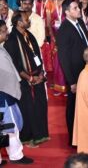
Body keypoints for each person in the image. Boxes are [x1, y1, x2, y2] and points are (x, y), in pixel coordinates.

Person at [4, 11, 48, 146]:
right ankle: (28, 138)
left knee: (40, 105)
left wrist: (40, 74)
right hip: (23, 81)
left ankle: (41, 135)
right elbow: (15, 65)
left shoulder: (29, 35)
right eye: (26, 19)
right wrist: (30, 78)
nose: (29, 21)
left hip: (37, 77)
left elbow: (38, 56)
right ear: (18, 23)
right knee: (28, 108)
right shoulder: (11, 40)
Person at [56, 0, 88, 145]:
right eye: (75, 8)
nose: (78, 10)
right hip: (75, 74)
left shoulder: (80, 23)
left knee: (87, 104)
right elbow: (63, 57)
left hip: (87, 69)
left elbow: (86, 43)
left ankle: (86, 133)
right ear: (67, 12)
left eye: (78, 7)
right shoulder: (63, 29)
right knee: (73, 106)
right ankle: (73, 138)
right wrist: (72, 81)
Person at [0, 20, 34, 165]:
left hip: (5, 93)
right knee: (11, 125)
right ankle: (16, 155)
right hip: (4, 95)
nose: (7, 32)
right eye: (3, 30)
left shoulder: (1, 48)